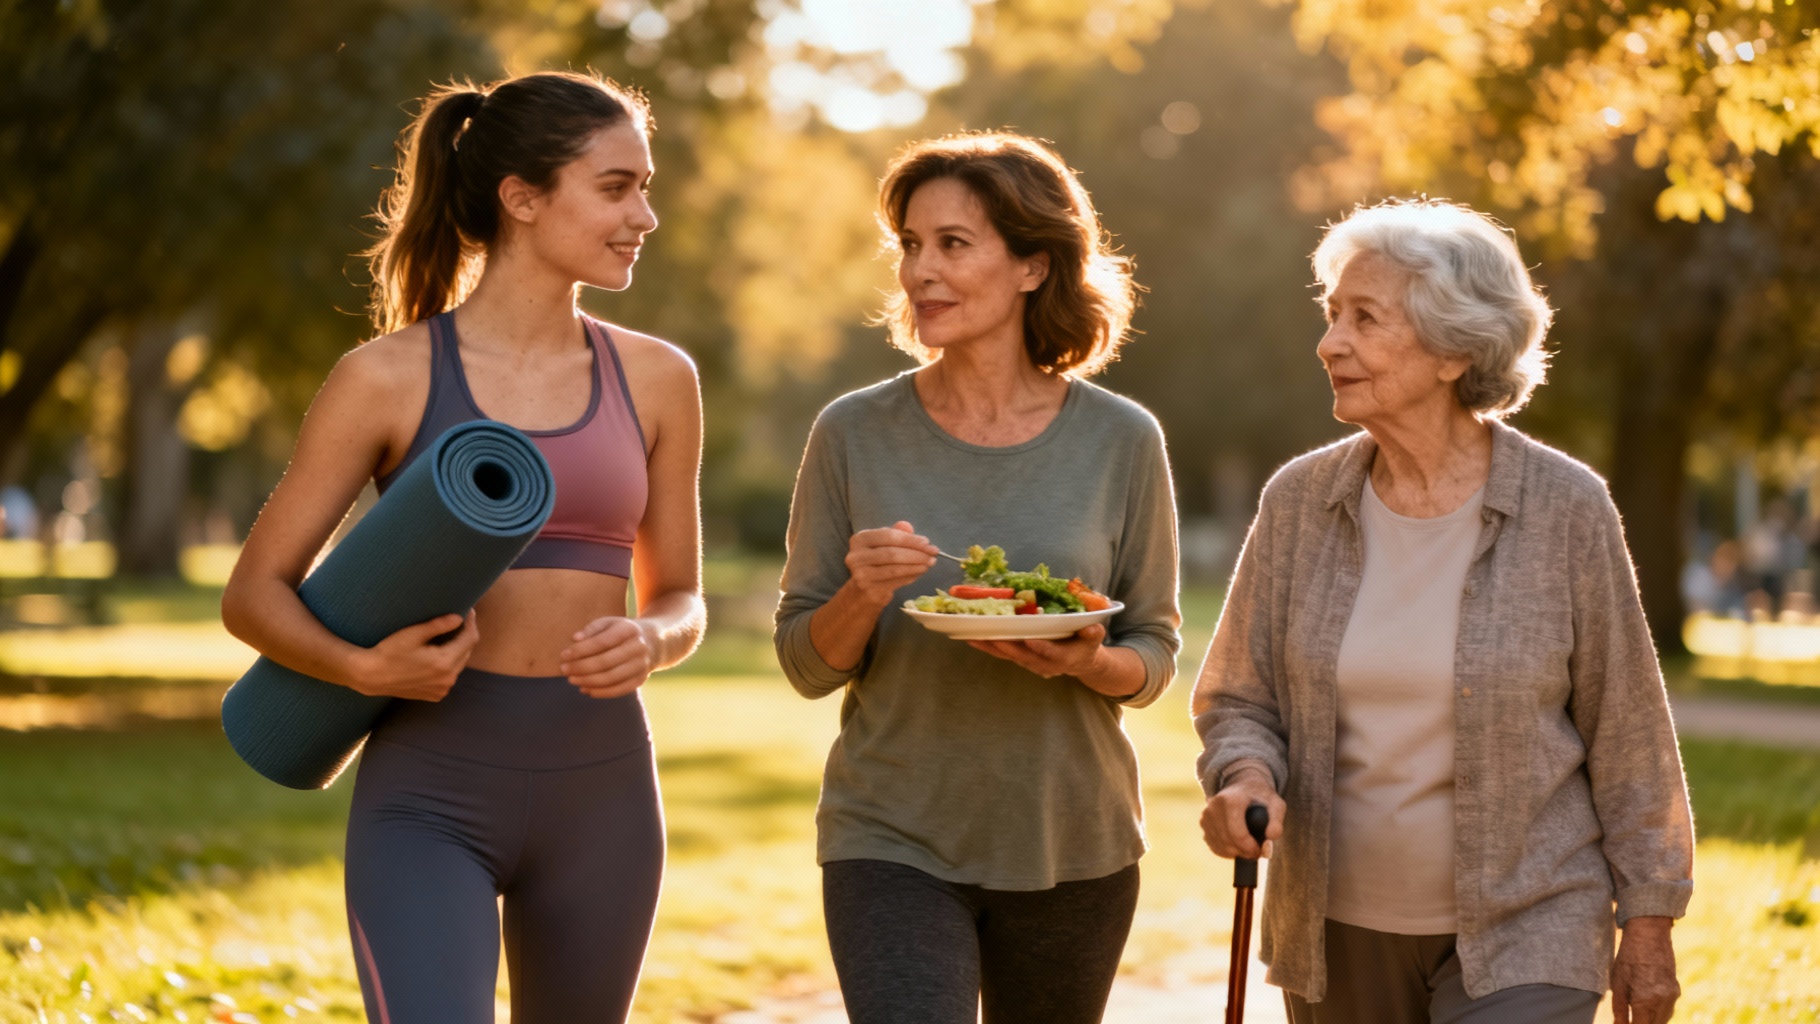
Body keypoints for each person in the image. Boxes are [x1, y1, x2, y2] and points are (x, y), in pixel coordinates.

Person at [221, 72, 705, 1024]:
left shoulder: (658, 379)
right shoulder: (386, 378)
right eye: (616, 187)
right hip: (428, 791)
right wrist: (361, 669)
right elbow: (254, 595)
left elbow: (682, 594)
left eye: (645, 186)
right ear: (521, 199)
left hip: (600, 790)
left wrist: (651, 639)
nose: (644, 214)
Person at [1193, 199, 1694, 1024]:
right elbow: (1241, 696)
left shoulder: (1566, 508)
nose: (1329, 343)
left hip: (1533, 924)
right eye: (1331, 316)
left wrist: (1648, 923)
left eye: (1365, 318)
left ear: (1454, 350)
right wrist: (1244, 777)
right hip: (1336, 928)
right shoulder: (1300, 503)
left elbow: (1628, 732)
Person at [773, 132, 1181, 1024]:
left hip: (1074, 842)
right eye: (911, 247)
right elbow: (806, 663)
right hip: (891, 837)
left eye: (953, 244)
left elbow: (1152, 652)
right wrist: (863, 592)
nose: (922, 271)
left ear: (1034, 265)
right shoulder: (851, 432)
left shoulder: (1122, 440)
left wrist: (1085, 661)